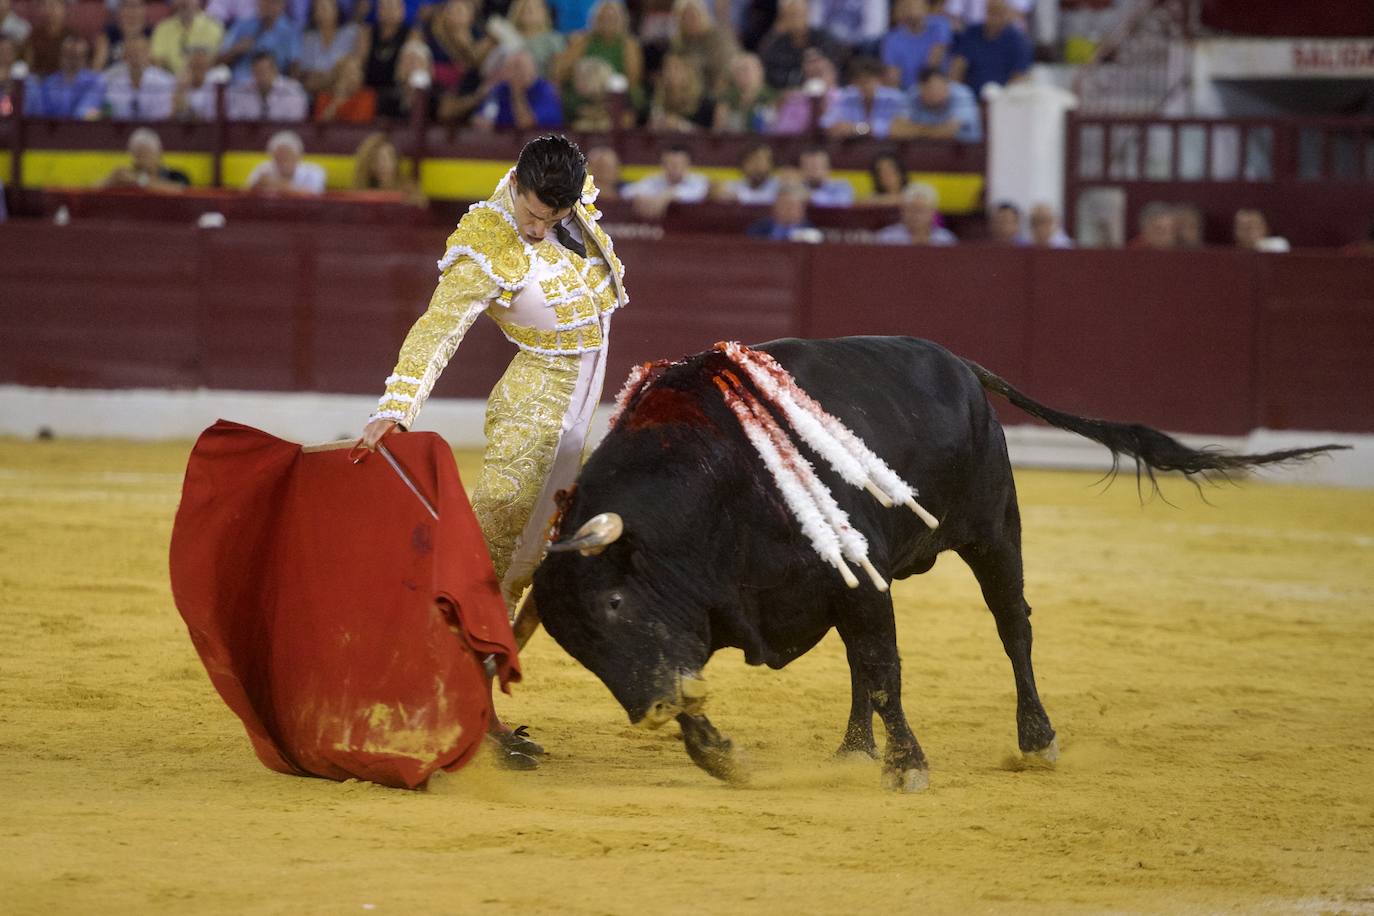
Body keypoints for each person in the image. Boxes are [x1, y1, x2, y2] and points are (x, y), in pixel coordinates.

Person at [360, 137, 627, 768]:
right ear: (516, 189)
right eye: (531, 214)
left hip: (578, 412)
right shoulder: (486, 240)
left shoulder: (569, 198)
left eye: (550, 220)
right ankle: (446, 698)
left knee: (532, 559)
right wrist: (395, 408)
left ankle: (467, 699)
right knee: (497, 548)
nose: (537, 229)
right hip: (535, 403)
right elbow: (438, 326)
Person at [553, 0, 643, 111]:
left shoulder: (629, 44)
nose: (607, 22)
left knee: (632, 96)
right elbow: (561, 68)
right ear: (595, 20)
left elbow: (633, 77)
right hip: (585, 90)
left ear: (622, 20)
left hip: (615, 91)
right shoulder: (584, 41)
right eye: (603, 18)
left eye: (612, 18)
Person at [949, 0, 1030, 97]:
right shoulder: (971, 34)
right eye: (990, 12)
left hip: (1004, 98)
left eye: (998, 12)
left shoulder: (1017, 40)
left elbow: (1019, 76)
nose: (994, 17)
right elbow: (957, 67)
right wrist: (957, 93)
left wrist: (1002, 98)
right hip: (972, 98)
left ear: (1006, 13)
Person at [757, 0, 842, 90]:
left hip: (825, 92)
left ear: (807, 14)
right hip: (790, 95)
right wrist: (802, 76)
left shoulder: (823, 40)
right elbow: (774, 77)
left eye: (799, 14)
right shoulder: (776, 47)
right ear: (784, 19)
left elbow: (835, 67)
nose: (796, 20)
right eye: (791, 15)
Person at [472, 47, 563, 129]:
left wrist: (517, 93)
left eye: (519, 67)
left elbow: (526, 125)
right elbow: (480, 119)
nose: (515, 73)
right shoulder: (500, 89)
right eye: (511, 68)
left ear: (533, 69)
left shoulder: (546, 91)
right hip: (504, 143)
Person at [820, 54, 906, 139]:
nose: (865, 86)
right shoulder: (846, 96)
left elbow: (900, 128)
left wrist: (858, 128)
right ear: (854, 83)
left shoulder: (895, 98)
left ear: (880, 80)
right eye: (860, 82)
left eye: (868, 81)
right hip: (854, 147)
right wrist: (869, 129)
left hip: (887, 148)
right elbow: (827, 125)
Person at [218, 0, 302, 83]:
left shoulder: (289, 31)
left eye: (273, 2)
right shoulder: (242, 25)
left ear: (283, 5)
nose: (267, 6)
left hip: (275, 88)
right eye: (264, 1)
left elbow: (294, 67)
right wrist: (236, 50)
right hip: (241, 86)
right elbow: (219, 61)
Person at [890, 65, 981, 141]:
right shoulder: (913, 95)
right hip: (924, 152)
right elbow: (895, 129)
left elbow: (949, 131)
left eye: (941, 88)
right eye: (932, 89)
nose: (938, 93)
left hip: (963, 152)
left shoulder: (961, 94)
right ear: (921, 89)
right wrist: (934, 131)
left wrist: (916, 131)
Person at [24, 34, 104, 118]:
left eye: (76, 56)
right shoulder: (49, 82)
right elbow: (40, 114)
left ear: (85, 58)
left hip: (81, 128)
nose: (72, 61)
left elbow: (84, 111)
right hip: (51, 128)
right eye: (68, 55)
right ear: (61, 56)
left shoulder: (95, 81)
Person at [879, 0, 950, 91]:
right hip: (908, 93)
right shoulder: (891, 39)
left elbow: (933, 63)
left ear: (926, 7)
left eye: (916, 5)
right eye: (907, 6)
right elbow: (892, 75)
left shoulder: (940, 25)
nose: (912, 9)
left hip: (939, 87)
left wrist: (925, 89)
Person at [668, 0, 735, 94]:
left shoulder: (718, 38)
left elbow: (725, 68)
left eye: (692, 16)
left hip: (716, 89)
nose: (689, 21)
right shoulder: (679, 43)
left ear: (703, 15)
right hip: (689, 93)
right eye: (684, 17)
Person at [104, 33, 177, 119]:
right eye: (131, 52)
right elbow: (110, 114)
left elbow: (166, 115)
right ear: (124, 56)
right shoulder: (113, 82)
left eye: (140, 51)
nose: (136, 56)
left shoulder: (165, 81)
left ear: (149, 53)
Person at [622, 143, 709, 214]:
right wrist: (639, 196)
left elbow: (699, 193)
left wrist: (668, 195)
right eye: (669, 163)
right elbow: (626, 192)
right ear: (662, 164)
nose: (673, 168)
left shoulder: (699, 181)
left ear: (688, 165)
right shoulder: (654, 180)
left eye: (678, 164)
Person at [101, 127, 190, 190]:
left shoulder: (176, 176)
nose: (142, 158)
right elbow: (91, 192)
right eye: (138, 153)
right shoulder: (126, 179)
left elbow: (181, 191)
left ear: (159, 154)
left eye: (146, 152)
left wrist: (140, 180)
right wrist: (109, 180)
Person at [298, 0, 359, 93]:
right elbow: (306, 71)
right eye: (317, 8)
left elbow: (352, 68)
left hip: (343, 90)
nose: (320, 12)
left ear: (336, 9)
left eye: (324, 8)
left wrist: (330, 77)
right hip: (314, 90)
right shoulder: (308, 37)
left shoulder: (351, 33)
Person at [226, 49, 308, 118]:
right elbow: (235, 121)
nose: (260, 76)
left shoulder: (293, 91)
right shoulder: (240, 91)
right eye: (256, 72)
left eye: (264, 71)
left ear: (275, 70)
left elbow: (296, 122)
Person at [151, 0, 225, 75]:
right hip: (171, 80)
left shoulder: (214, 27)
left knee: (221, 73)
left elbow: (215, 60)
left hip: (204, 79)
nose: (184, 2)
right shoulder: (162, 28)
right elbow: (158, 62)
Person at [646, 49, 712, 131]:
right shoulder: (655, 99)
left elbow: (708, 137)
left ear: (689, 73)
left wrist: (679, 125)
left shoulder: (704, 106)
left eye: (676, 68)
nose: (670, 73)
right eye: (667, 68)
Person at [352, 131, 424, 203]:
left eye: (388, 158)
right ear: (367, 165)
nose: (383, 165)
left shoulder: (411, 193)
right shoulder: (359, 195)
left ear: (396, 160)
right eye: (376, 160)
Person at [245, 129, 326, 192]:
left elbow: (312, 197)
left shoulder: (314, 171)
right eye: (279, 157)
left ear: (298, 156)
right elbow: (245, 195)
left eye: (288, 156)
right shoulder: (263, 169)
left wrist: (275, 183)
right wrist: (256, 184)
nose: (283, 160)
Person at [875, 182, 956, 244]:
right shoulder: (887, 238)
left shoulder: (945, 239)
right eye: (912, 209)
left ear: (932, 212)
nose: (916, 215)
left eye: (921, 210)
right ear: (903, 210)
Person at [711, 51, 773, 132]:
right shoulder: (726, 98)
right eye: (738, 70)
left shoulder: (772, 97)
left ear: (760, 71)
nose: (743, 74)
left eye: (746, 69)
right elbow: (718, 131)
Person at [360, 0, 412, 94]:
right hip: (369, 88)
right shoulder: (367, 32)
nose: (388, 11)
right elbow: (359, 63)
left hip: (397, 90)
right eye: (384, 7)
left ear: (402, 11)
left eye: (392, 7)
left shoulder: (411, 33)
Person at [504, 0, 563, 77]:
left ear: (544, 12)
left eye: (537, 7)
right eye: (526, 7)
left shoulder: (553, 39)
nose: (530, 10)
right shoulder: (505, 35)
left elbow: (558, 70)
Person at [312, 54, 376, 121]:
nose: (353, 78)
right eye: (348, 73)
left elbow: (358, 123)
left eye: (356, 73)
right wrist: (336, 101)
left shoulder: (367, 96)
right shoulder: (323, 97)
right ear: (338, 76)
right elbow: (319, 126)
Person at [93, 0, 151, 71]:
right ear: (119, 10)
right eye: (126, 6)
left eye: (136, 6)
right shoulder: (108, 35)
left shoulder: (152, 34)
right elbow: (97, 67)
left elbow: (154, 70)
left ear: (144, 9)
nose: (132, 12)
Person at [808, 0, 887, 52]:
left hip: (859, 47)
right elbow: (814, 23)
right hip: (827, 44)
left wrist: (851, 43)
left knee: (872, 43)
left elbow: (874, 30)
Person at [745, 180, 813, 239]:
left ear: (802, 209)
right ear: (775, 207)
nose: (787, 209)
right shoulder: (757, 230)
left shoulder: (812, 232)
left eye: (792, 205)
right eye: (783, 205)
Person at [24, 0, 76, 77]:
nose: (49, 10)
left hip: (64, 80)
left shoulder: (72, 35)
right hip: (40, 80)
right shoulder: (35, 34)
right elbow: (29, 63)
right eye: (45, 6)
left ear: (63, 9)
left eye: (53, 6)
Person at [172, 43, 218, 118]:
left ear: (208, 67)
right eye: (194, 67)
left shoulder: (214, 86)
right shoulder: (178, 85)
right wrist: (180, 90)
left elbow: (209, 120)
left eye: (201, 67)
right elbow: (171, 117)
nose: (197, 72)